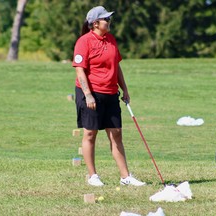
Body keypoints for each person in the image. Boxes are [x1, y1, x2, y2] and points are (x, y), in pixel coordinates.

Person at [72, 6, 146, 187]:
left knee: (116, 134)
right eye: (106, 19)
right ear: (95, 23)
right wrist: (88, 95)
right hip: (91, 93)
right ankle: (93, 176)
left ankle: (125, 177)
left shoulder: (111, 39)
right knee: (90, 133)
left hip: (111, 92)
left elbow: (116, 66)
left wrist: (125, 89)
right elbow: (80, 71)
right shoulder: (84, 41)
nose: (109, 22)